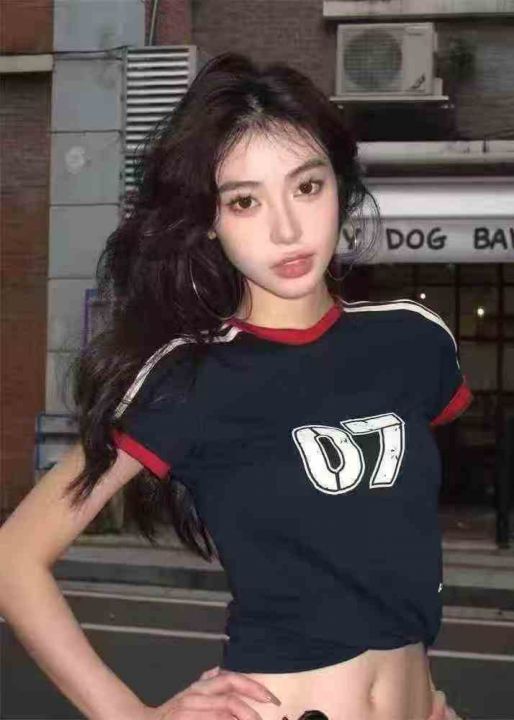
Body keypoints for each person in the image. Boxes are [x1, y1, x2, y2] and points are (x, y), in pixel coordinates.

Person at [0, 52, 471, 720]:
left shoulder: (414, 341)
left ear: (341, 187)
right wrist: (132, 716)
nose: (287, 229)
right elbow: (14, 557)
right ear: (209, 221)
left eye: (307, 187)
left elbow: (393, 545)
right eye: (245, 201)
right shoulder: (187, 377)